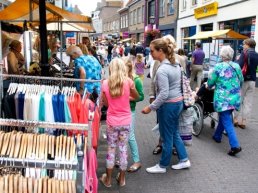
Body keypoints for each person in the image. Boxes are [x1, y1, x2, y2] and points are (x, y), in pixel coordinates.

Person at [142, 38, 191, 173]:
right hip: (178, 103)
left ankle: (162, 165)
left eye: (152, 51)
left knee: (167, 136)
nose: (150, 53)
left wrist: (150, 107)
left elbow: (163, 94)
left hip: (168, 105)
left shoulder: (163, 69)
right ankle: (184, 159)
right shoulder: (175, 65)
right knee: (174, 133)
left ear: (161, 51)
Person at [100, 58, 139, 187]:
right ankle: (122, 179)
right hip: (125, 121)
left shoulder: (105, 83)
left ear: (110, 69)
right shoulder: (129, 82)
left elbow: (105, 104)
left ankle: (108, 180)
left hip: (112, 121)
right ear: (123, 68)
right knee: (123, 149)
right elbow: (137, 97)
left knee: (111, 149)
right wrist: (126, 97)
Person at [151, 35, 187, 155]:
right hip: (168, 99)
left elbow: (183, 79)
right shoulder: (158, 61)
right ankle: (163, 145)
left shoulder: (179, 60)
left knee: (169, 128)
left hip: (169, 100)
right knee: (166, 125)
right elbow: (154, 79)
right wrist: (152, 94)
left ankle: (165, 160)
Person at [207, 45, 243, 156]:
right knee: (225, 117)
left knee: (227, 120)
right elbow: (241, 80)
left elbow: (210, 83)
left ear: (222, 55)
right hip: (235, 97)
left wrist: (209, 85)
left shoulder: (218, 67)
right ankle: (217, 135)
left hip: (223, 99)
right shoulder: (236, 66)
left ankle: (235, 145)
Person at [123, 57, 144, 173]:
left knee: (130, 135)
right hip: (120, 111)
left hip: (130, 110)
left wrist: (128, 98)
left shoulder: (136, 80)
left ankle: (137, 160)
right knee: (121, 136)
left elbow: (141, 96)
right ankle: (122, 158)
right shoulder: (120, 78)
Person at [234, 38, 258, 129]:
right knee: (248, 102)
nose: (243, 46)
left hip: (243, 80)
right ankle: (243, 121)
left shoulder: (244, 53)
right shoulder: (256, 55)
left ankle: (235, 119)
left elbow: (238, 66)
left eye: (244, 44)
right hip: (252, 81)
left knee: (239, 99)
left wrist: (237, 60)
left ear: (248, 44)